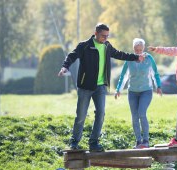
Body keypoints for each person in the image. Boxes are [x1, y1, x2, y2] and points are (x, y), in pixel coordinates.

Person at [58, 23, 145, 152]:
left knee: (100, 114)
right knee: (81, 115)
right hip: (85, 86)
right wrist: (65, 67)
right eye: (103, 35)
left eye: (107, 36)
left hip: (100, 87)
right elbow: (72, 55)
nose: (105, 38)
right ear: (96, 33)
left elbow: (120, 54)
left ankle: (93, 143)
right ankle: (74, 142)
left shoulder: (107, 46)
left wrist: (135, 57)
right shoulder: (85, 46)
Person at [115, 38, 162, 149]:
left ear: (143, 49)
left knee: (141, 113)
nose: (138, 52)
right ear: (133, 49)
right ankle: (138, 141)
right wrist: (118, 90)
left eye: (140, 50)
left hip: (146, 91)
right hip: (132, 92)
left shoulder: (149, 59)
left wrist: (158, 86)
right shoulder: (129, 59)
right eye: (136, 50)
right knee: (135, 116)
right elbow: (123, 76)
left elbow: (155, 73)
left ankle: (145, 140)